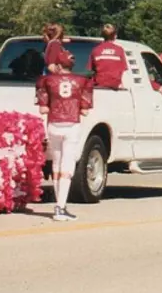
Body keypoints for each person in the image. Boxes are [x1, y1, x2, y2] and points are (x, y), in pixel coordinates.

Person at [36, 52, 93, 222]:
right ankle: (60, 207)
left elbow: (43, 109)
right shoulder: (83, 81)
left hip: (54, 124)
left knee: (56, 163)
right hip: (72, 125)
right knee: (68, 166)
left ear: (58, 66)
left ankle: (59, 204)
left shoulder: (46, 81)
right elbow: (85, 110)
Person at [87, 24, 128, 89]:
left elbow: (91, 69)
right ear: (115, 36)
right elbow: (123, 69)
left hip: (99, 86)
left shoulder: (96, 50)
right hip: (116, 86)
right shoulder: (119, 50)